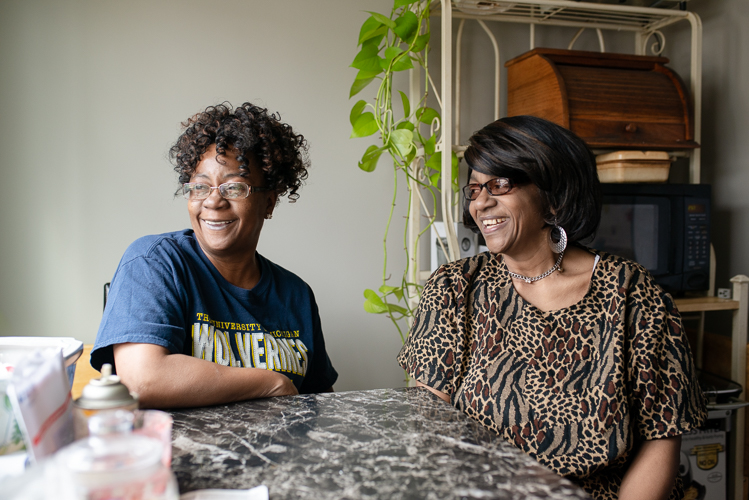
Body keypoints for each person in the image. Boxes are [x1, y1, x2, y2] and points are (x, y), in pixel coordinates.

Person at [397, 116, 706, 500]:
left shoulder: (631, 294)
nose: (481, 202)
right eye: (474, 189)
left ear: (553, 195)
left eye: (501, 184)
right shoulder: (454, 288)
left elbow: (661, 436)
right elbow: (433, 425)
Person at [91, 102, 338, 408]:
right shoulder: (154, 263)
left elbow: (318, 405)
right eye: (199, 187)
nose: (213, 201)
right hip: (182, 455)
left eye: (234, 188)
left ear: (270, 202)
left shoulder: (296, 295)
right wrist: (271, 381)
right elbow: (143, 378)